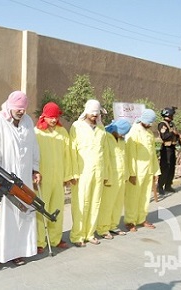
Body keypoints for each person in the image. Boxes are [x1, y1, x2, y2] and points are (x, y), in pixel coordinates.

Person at [0, 90, 41, 272]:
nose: (20, 112)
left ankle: (19, 251)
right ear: (9, 106)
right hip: (2, 178)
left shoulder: (28, 122)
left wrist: (35, 168)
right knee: (1, 218)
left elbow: (33, 146)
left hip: (23, 178)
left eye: (23, 109)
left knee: (22, 214)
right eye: (17, 109)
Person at [69, 99, 109, 247]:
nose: (94, 117)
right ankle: (77, 235)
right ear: (86, 112)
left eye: (96, 115)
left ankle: (89, 233)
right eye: (92, 114)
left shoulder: (101, 128)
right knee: (81, 203)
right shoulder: (77, 126)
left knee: (95, 202)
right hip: (82, 172)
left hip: (98, 171)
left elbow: (105, 152)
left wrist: (106, 174)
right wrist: (72, 173)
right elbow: (71, 150)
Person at [34, 102, 73, 253]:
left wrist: (68, 175)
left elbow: (68, 154)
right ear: (44, 116)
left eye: (56, 117)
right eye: (51, 117)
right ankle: (39, 241)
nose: (54, 120)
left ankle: (55, 238)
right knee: (41, 209)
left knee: (58, 208)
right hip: (42, 178)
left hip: (58, 177)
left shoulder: (62, 132)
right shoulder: (37, 132)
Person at [124, 109, 160, 232]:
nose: (150, 124)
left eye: (151, 123)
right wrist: (132, 173)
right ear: (143, 120)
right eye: (149, 122)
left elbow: (153, 154)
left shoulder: (149, 133)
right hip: (137, 171)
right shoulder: (134, 132)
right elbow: (130, 155)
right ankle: (130, 221)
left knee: (145, 196)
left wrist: (156, 171)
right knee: (133, 197)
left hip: (148, 170)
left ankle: (141, 218)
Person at [96, 119, 131, 239]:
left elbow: (124, 158)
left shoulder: (121, 141)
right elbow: (104, 159)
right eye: (122, 132)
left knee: (117, 203)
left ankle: (113, 225)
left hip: (121, 177)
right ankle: (103, 228)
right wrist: (105, 176)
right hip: (111, 177)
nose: (122, 135)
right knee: (107, 204)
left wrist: (127, 174)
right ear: (116, 130)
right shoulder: (106, 137)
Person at [157, 107, 181, 195]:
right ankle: (160, 186)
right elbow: (164, 136)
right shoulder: (162, 124)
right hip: (166, 149)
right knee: (165, 168)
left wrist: (178, 136)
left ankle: (168, 185)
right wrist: (172, 133)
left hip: (172, 148)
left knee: (171, 168)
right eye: (172, 114)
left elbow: (175, 134)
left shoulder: (171, 124)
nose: (173, 116)